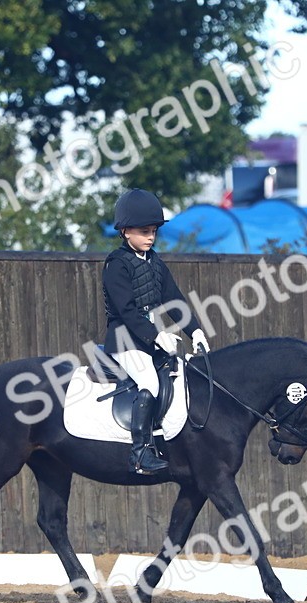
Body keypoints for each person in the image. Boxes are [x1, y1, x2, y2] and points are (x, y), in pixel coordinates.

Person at [102, 189, 210, 474]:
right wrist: (157, 335)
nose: (151, 237)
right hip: (124, 340)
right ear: (125, 231)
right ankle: (139, 454)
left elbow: (174, 299)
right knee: (149, 382)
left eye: (153, 231)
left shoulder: (154, 262)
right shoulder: (116, 264)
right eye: (144, 232)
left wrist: (195, 332)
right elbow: (127, 311)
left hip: (148, 339)